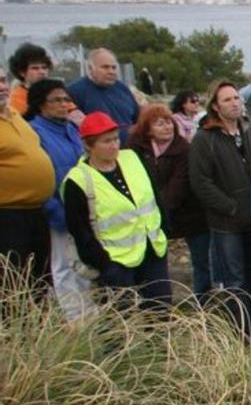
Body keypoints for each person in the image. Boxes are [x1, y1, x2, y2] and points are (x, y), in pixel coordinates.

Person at [62, 112, 170, 305]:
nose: (114, 145)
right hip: (115, 262)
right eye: (106, 141)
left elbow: (155, 197)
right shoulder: (78, 180)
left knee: (161, 310)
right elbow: (80, 231)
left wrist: (164, 230)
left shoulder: (132, 159)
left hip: (152, 250)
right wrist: (104, 264)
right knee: (122, 322)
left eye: (115, 139)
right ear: (89, 145)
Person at [190, 80, 251, 306]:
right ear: (215, 106)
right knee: (234, 281)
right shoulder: (204, 139)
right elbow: (201, 182)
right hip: (227, 223)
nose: (235, 103)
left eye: (236, 97)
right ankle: (240, 333)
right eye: (227, 99)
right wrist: (231, 207)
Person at [25, 79, 93, 316]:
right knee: (63, 267)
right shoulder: (34, 132)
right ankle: (74, 318)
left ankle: (90, 314)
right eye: (57, 100)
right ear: (41, 104)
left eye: (66, 99)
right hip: (56, 211)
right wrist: (54, 210)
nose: (64, 104)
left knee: (84, 263)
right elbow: (36, 174)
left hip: (82, 209)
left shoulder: (73, 130)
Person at [126, 104, 208, 299]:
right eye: (159, 123)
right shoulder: (134, 149)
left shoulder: (185, 149)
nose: (167, 127)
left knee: (201, 260)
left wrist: (159, 209)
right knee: (152, 261)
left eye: (169, 122)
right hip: (149, 214)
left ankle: (202, 300)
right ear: (147, 128)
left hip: (189, 213)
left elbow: (178, 185)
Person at [0, 72, 55, 291]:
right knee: (12, 285)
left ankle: (40, 325)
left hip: (35, 213)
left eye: (3, 80)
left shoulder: (13, 113)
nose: (2, 86)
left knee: (39, 282)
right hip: (7, 217)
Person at [67, 49, 139, 143]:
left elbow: (137, 119)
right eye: (105, 67)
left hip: (130, 152)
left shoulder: (123, 89)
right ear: (90, 68)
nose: (111, 71)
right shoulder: (74, 92)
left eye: (114, 67)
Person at [8, 43, 67, 118]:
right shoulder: (15, 99)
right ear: (22, 72)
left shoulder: (57, 91)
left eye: (44, 67)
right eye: (35, 68)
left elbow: (75, 116)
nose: (42, 72)